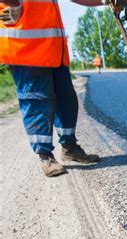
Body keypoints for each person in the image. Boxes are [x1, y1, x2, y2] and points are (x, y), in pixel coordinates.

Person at [0, 0, 109, 177]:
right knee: (36, 101)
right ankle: (45, 156)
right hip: (25, 49)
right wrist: (13, 4)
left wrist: (105, 1)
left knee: (66, 100)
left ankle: (69, 147)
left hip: (53, 48)